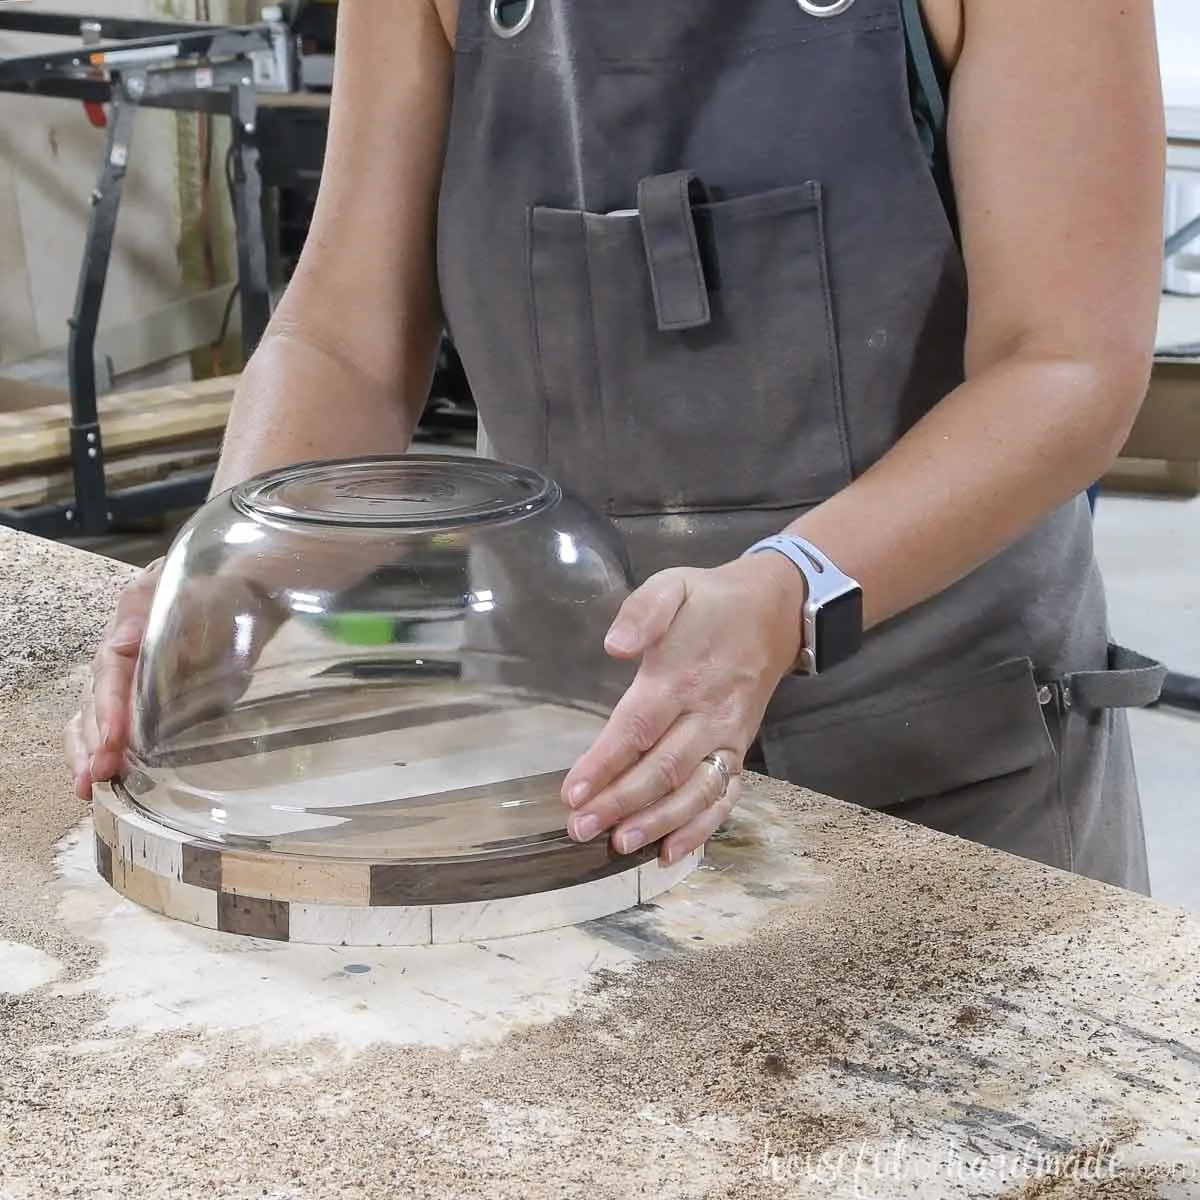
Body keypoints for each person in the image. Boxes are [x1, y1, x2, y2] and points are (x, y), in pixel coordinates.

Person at [67, 0, 1168, 891]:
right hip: (576, 754)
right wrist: (229, 579)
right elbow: (348, 335)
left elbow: (1063, 366)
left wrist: (791, 588)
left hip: (953, 762)